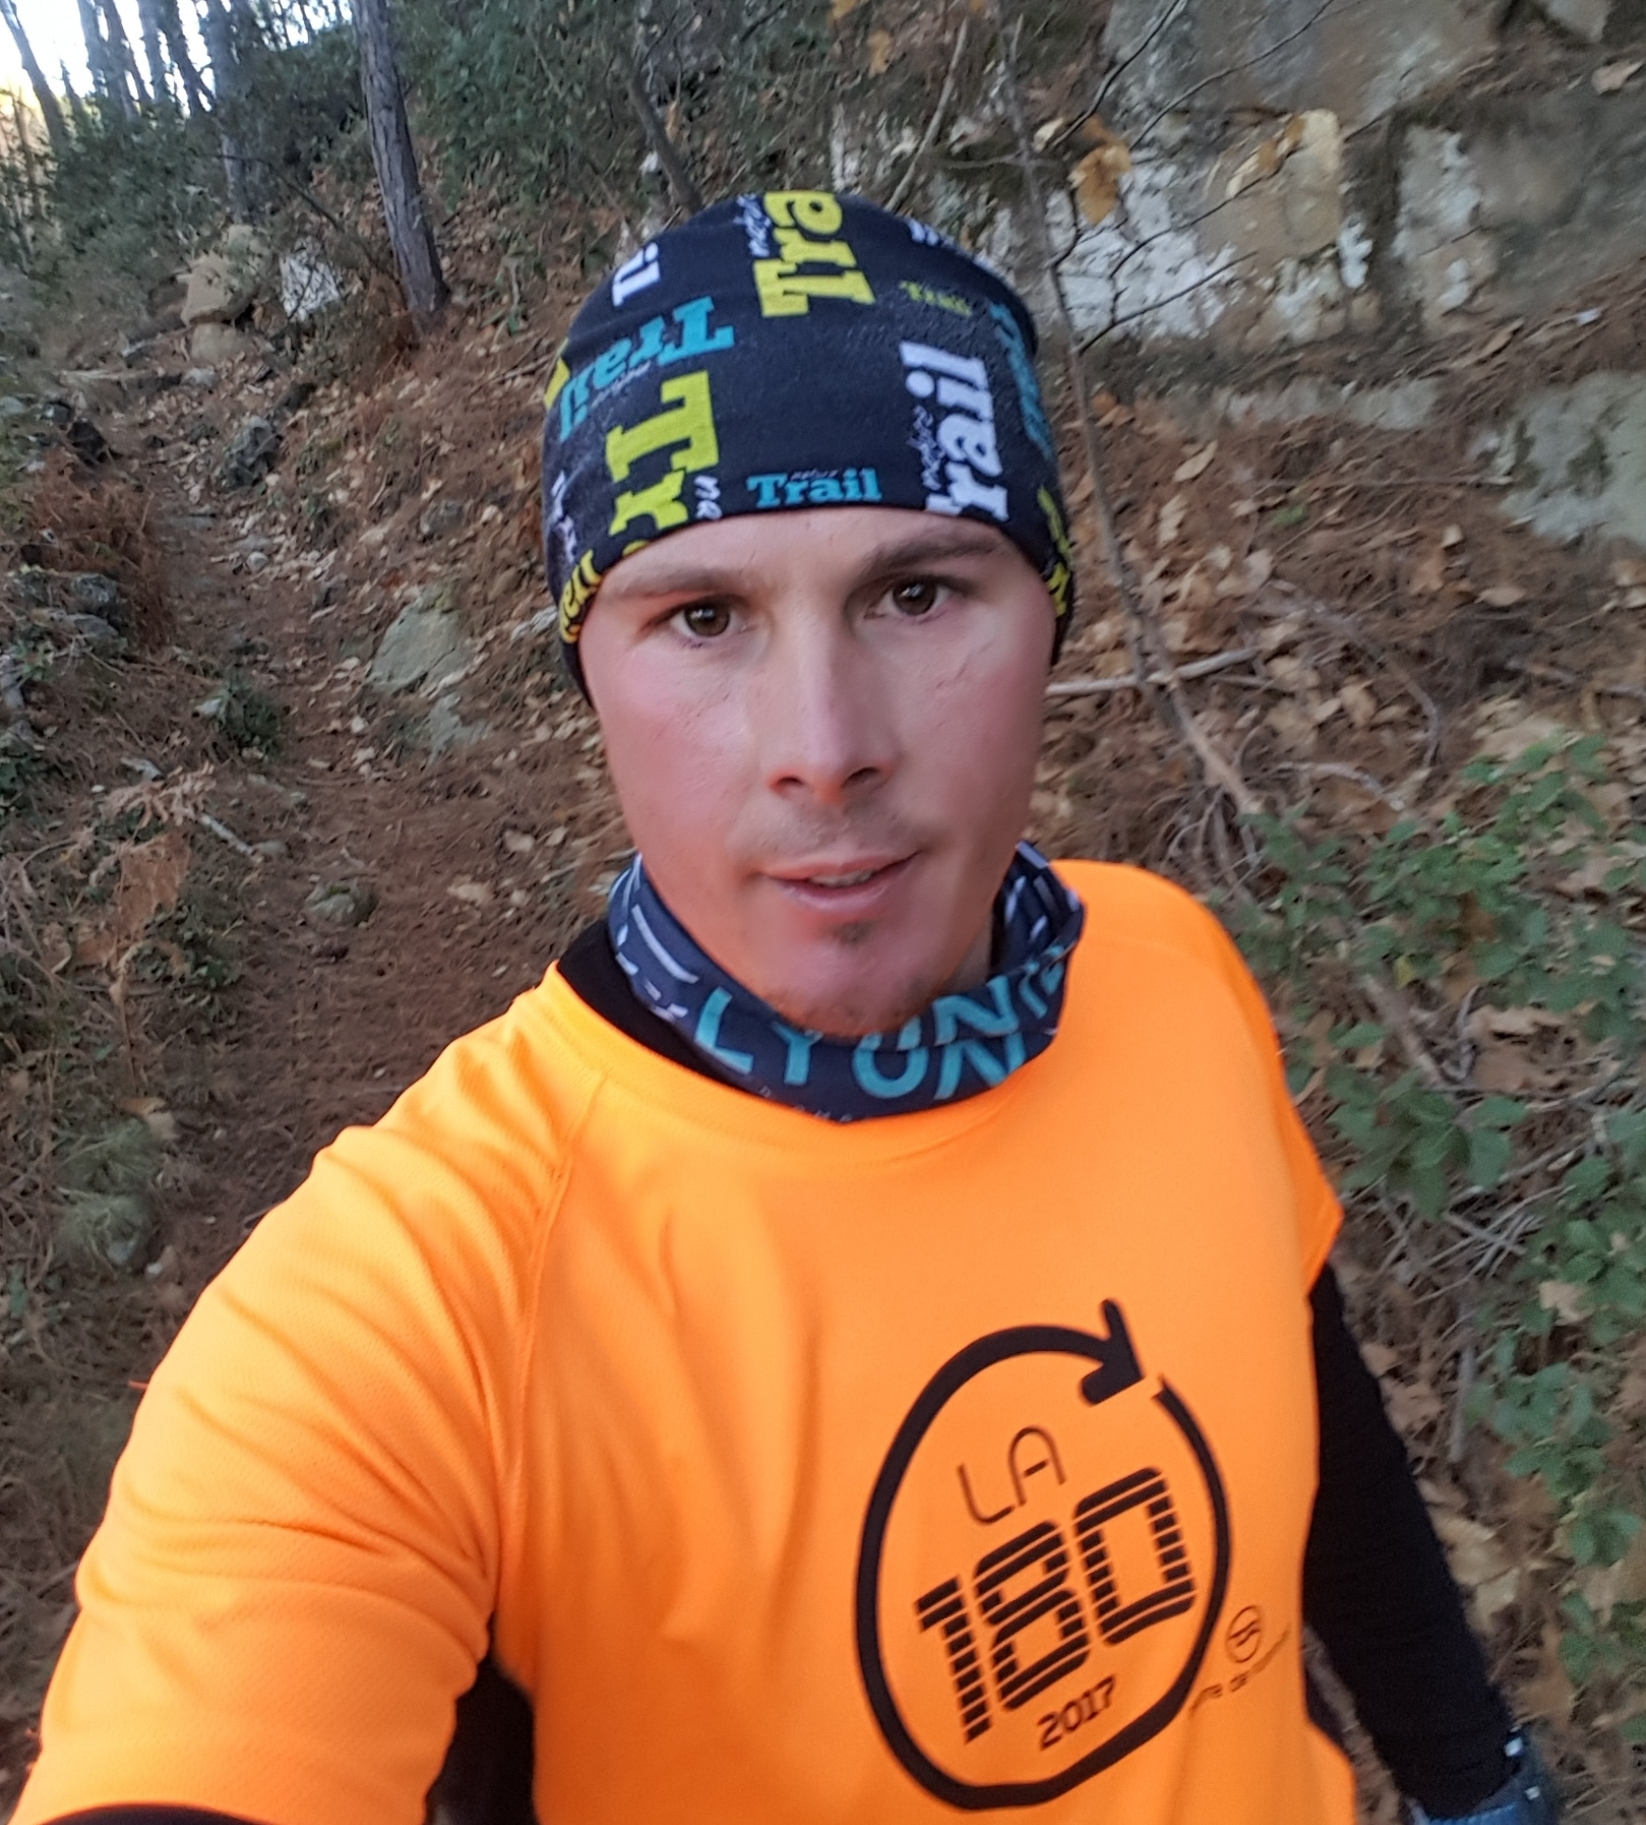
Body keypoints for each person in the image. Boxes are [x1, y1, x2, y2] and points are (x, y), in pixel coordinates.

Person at [15, 194, 1556, 1825]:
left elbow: (1306, 1392)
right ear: (588, 667)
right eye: (702, 616)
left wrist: (1476, 1779)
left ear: (1050, 615)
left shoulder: (1163, 966)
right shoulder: (413, 1302)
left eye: (917, 593)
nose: (824, 747)